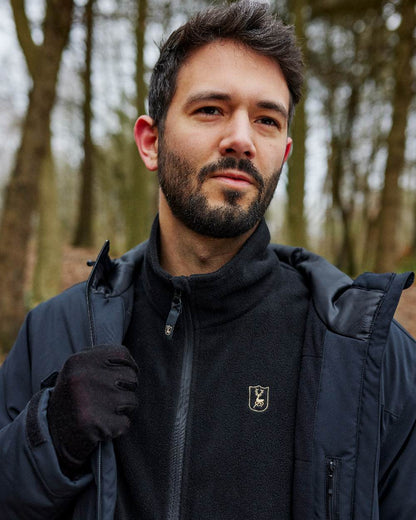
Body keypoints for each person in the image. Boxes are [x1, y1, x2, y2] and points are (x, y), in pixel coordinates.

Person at [0, 1, 415, 519]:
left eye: (266, 119)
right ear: (151, 142)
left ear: (282, 154)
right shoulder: (53, 334)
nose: (241, 138)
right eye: (211, 109)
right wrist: (48, 437)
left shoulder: (369, 360)